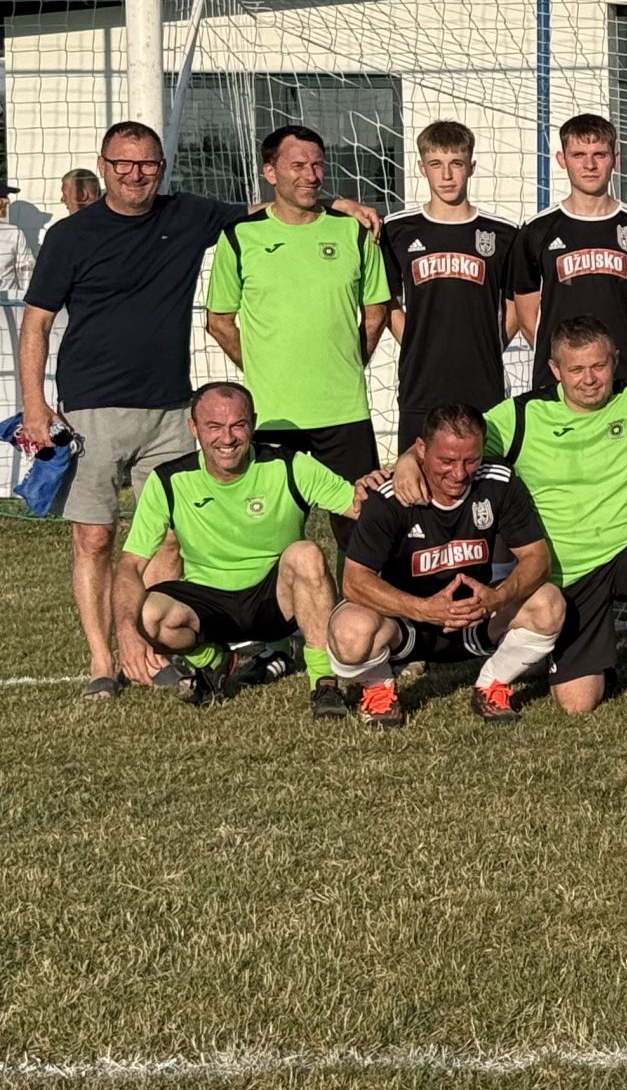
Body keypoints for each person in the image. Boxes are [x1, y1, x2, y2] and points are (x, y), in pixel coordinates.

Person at [17, 122, 260, 696]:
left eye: (147, 164)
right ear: (103, 166)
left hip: (171, 409)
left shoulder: (188, 215)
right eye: (123, 163)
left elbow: (268, 210)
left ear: (161, 168)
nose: (135, 174)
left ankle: (149, 652)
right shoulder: (70, 237)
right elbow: (37, 323)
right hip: (92, 409)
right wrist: (33, 404)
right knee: (95, 539)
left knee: (168, 538)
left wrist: (340, 204)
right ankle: (103, 663)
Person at [399, 318, 627, 723]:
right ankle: (578, 654)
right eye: (576, 369)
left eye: (598, 366)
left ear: (616, 361)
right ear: (555, 370)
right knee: (578, 702)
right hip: (567, 572)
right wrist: (408, 460)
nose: (589, 379)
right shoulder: (522, 416)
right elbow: (457, 440)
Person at [115, 381, 362, 714]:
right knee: (146, 616)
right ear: (193, 428)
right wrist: (126, 631)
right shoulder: (168, 480)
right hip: (207, 603)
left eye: (238, 425)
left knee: (306, 554)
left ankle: (325, 683)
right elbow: (130, 565)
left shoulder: (289, 465)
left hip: (275, 602)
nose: (227, 438)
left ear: (253, 423)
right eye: (214, 426)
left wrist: (405, 475)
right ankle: (212, 659)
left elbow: (360, 507)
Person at [327, 402, 565, 725]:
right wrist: (423, 609)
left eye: (471, 460)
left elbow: (537, 557)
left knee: (549, 603)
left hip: (475, 617)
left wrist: (498, 597)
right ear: (421, 450)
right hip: (403, 625)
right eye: (447, 461)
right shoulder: (389, 497)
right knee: (348, 631)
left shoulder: (498, 482)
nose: (459, 473)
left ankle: (493, 684)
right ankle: (379, 687)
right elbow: (354, 582)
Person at [203, 124, 391, 495]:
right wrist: (262, 365)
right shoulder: (240, 236)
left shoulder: (354, 231)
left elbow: (376, 311)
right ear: (270, 172)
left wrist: (349, 362)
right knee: (272, 517)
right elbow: (219, 322)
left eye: (318, 165)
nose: (311, 175)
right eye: (298, 166)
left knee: (357, 513)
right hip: (271, 413)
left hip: (344, 409)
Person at [381, 120, 516, 451]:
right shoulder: (397, 230)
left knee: (482, 470)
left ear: (471, 167)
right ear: (421, 168)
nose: (446, 175)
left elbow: (515, 304)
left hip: (482, 381)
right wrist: (414, 341)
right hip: (421, 382)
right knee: (418, 470)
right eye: (435, 164)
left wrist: (491, 344)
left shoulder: (502, 233)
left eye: (456, 163)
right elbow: (386, 301)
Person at [510, 112, 627, 396]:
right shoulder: (536, 230)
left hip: (625, 378)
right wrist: (563, 358)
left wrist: (624, 347)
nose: (590, 165)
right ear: (562, 159)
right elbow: (526, 310)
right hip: (557, 384)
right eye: (579, 155)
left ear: (615, 159)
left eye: (599, 155)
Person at [0, 184, 32, 300]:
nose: (8, 201)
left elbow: (26, 268)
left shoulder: (14, 233)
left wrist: (25, 298)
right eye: (3, 196)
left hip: (11, 302)